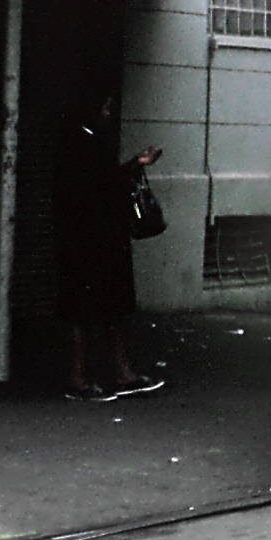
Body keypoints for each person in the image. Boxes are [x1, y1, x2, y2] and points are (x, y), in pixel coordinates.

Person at [53, 95, 165, 402]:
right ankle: (95, 376)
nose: (106, 114)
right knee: (97, 309)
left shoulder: (78, 143)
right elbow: (103, 188)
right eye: (103, 108)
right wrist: (133, 168)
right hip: (95, 241)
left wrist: (133, 165)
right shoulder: (85, 145)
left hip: (88, 240)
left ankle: (111, 373)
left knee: (96, 309)